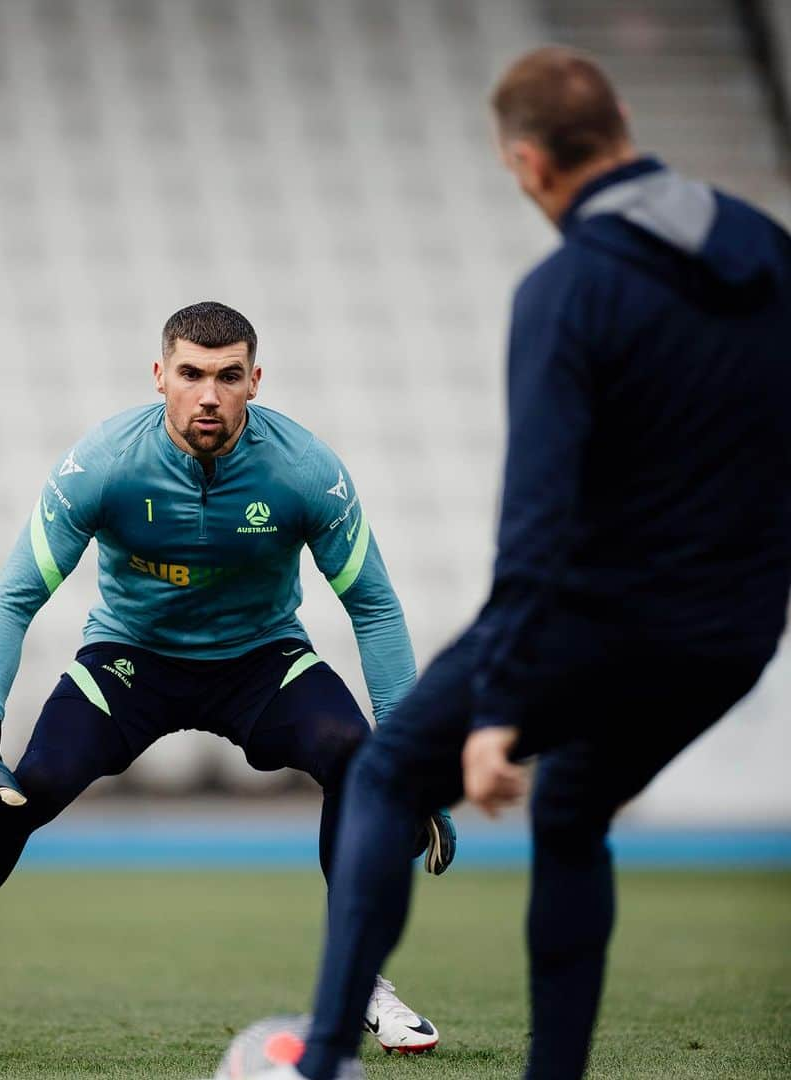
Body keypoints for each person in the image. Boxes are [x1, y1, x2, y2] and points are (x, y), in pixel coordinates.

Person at [262, 46, 791, 1080]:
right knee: (575, 805)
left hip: (597, 620)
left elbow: (537, 518)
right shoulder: (767, 248)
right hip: (731, 634)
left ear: (529, 164)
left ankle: (321, 1062)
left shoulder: (568, 289)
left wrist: (500, 707)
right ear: (624, 119)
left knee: (384, 774)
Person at [0, 300, 453, 1057]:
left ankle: (362, 985)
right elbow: (13, 598)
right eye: (191, 374)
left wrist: (409, 748)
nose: (208, 395)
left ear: (255, 381)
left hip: (259, 660)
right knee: (24, 790)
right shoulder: (104, 464)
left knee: (361, 761)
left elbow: (376, 608)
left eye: (228, 376)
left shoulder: (305, 472)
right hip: (132, 660)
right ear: (159, 376)